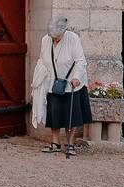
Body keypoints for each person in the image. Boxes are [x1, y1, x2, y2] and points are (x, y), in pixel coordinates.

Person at [32, 15, 91, 157]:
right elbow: (42, 59)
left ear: (64, 31)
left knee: (72, 115)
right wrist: (40, 77)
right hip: (53, 82)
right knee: (54, 114)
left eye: (57, 36)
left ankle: (70, 143)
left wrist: (77, 77)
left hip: (72, 83)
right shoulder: (45, 40)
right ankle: (55, 143)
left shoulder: (73, 39)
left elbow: (80, 60)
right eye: (53, 37)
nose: (55, 39)